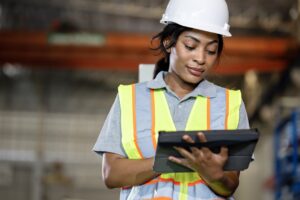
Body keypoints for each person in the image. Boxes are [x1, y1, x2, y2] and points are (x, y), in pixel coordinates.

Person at [93, 0, 250, 199]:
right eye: (191, 46)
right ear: (168, 42)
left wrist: (215, 175)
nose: (201, 58)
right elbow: (111, 175)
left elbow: (230, 184)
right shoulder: (130, 98)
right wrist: (168, 159)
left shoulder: (229, 103)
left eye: (211, 50)